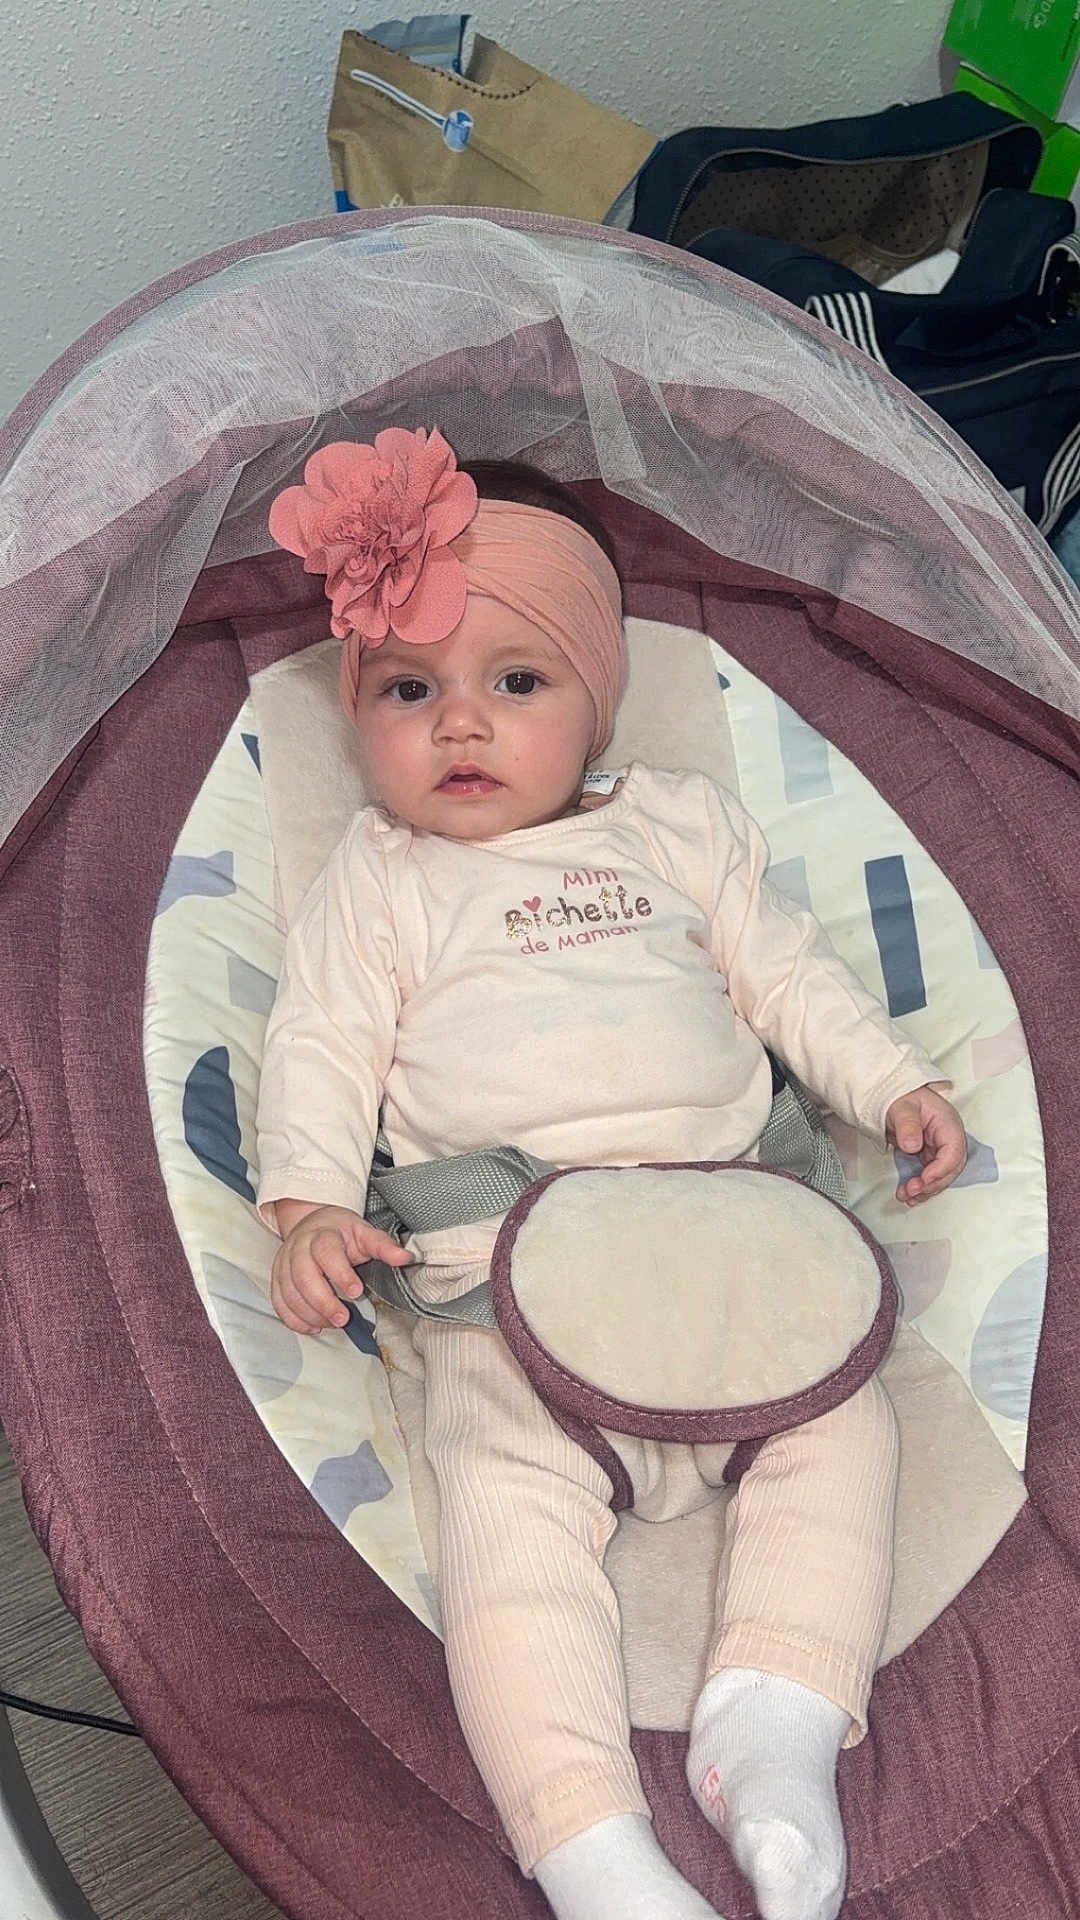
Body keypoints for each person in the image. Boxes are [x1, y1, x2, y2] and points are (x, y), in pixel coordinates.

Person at [256, 427, 967, 1920]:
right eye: (408, 690)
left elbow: (789, 976)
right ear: (359, 707)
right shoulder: (381, 880)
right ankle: (590, 1843)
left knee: (846, 1434)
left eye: (518, 682)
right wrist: (309, 1200)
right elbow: (319, 1041)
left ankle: (774, 1723)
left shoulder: (677, 826)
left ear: (598, 702)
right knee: (502, 1530)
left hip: (736, 1255)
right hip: (503, 1288)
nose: (461, 723)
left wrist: (889, 1080)